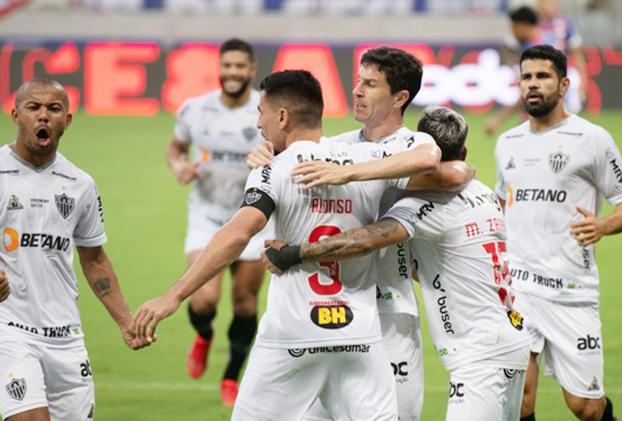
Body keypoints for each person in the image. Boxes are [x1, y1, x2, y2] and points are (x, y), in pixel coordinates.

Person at [132, 69, 474, 420]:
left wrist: (172, 297)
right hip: (359, 337)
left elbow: (237, 234)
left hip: (292, 336)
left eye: (262, 113)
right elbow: (454, 173)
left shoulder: (274, 168)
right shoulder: (365, 162)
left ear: (283, 116)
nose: (259, 124)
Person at [245, 46, 473, 421]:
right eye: (357, 81)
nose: (357, 91)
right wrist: (259, 155)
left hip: (390, 309)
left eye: (370, 84)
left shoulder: (410, 144)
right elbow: (284, 160)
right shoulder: (338, 145)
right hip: (334, 308)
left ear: (400, 97)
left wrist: (349, 173)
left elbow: (453, 170)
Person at [263, 105, 531, 421]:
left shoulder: (428, 205)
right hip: (510, 336)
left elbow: (365, 240)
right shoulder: (483, 192)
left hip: (479, 351)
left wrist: (294, 254)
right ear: (465, 150)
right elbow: (437, 263)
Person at [0, 78, 145, 421]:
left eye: (54, 109)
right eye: (33, 107)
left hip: (64, 332)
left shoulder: (80, 184)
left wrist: (125, 320)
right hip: (4, 324)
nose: (44, 116)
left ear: (67, 121)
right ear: (15, 115)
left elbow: (95, 258)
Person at [494, 45, 621, 421]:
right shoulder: (507, 143)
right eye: (527, 77)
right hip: (518, 288)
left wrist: (602, 226)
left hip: (570, 290)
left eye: (543, 76)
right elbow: (503, 205)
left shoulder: (592, 139)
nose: (533, 85)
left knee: (586, 407)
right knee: (520, 403)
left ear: (564, 84)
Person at [166, 38, 271, 405]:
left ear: (252, 69)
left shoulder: (266, 110)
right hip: (207, 215)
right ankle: (205, 334)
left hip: (252, 216)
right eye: (227, 66)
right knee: (204, 300)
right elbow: (176, 148)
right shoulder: (195, 110)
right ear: (220, 67)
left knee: (244, 303)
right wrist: (179, 166)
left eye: (240, 66)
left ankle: (230, 376)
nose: (233, 73)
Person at [486, 1, 587, 135]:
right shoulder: (537, 40)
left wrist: (498, 120)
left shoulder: (536, 51)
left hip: (554, 104)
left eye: (514, 27)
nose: (513, 31)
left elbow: (527, 94)